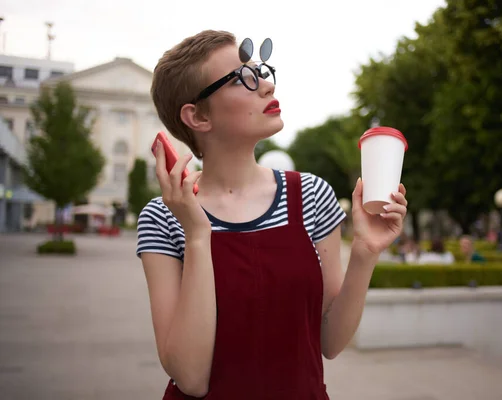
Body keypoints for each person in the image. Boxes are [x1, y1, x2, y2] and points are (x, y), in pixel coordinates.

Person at [135, 30, 408, 400]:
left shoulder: (311, 195)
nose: (265, 85)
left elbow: (329, 341)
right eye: (242, 78)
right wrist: (198, 235)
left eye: (261, 71)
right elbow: (191, 377)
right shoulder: (163, 217)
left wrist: (365, 252)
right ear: (197, 116)